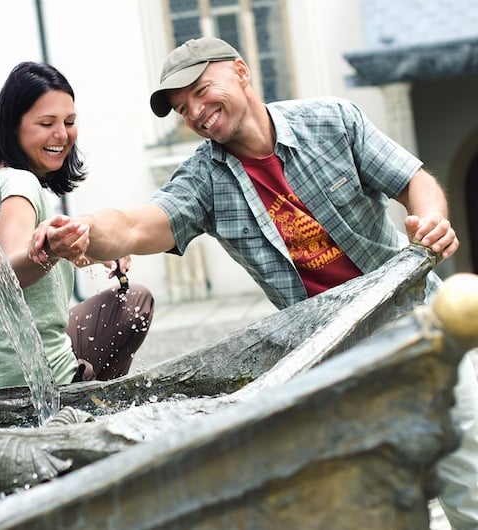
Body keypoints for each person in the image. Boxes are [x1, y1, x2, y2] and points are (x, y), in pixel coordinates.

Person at [30, 38, 478, 528]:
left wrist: (430, 218)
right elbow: (136, 225)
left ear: (241, 72)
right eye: (182, 108)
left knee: (469, 477)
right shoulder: (204, 179)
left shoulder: (333, 120)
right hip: (330, 361)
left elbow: (414, 179)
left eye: (201, 91)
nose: (196, 113)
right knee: (362, 500)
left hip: (421, 327)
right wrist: (83, 233)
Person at [0, 61, 154, 393]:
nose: (62, 134)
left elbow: (29, 252)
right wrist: (49, 251)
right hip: (34, 380)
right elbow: (9, 272)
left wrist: (94, 253)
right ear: (13, 125)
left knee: (131, 298)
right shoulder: (18, 184)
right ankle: (95, 403)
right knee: (134, 304)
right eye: (46, 123)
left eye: (70, 122)